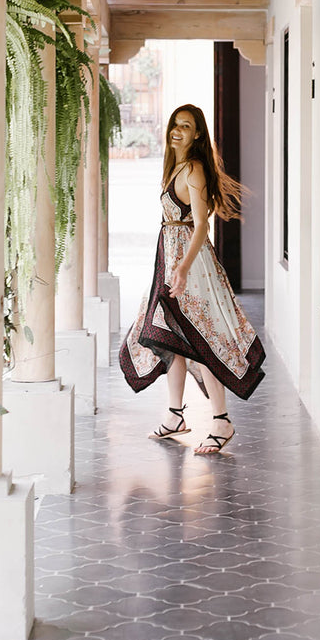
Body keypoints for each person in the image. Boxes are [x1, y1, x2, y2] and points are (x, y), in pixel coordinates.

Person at [119, 104, 266, 454]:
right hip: (169, 260)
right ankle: (175, 415)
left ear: (197, 134)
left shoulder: (195, 170)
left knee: (200, 342)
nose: (177, 130)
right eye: (175, 124)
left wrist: (183, 268)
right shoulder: (176, 169)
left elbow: (201, 224)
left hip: (190, 265)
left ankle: (221, 420)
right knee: (172, 339)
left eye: (186, 126)